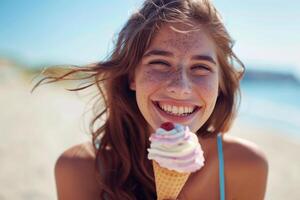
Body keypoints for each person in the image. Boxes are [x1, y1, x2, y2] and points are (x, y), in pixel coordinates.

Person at [33, 0, 268, 199]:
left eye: (201, 67)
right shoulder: (78, 168)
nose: (181, 87)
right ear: (131, 76)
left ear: (219, 83)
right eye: (160, 63)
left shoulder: (246, 165)